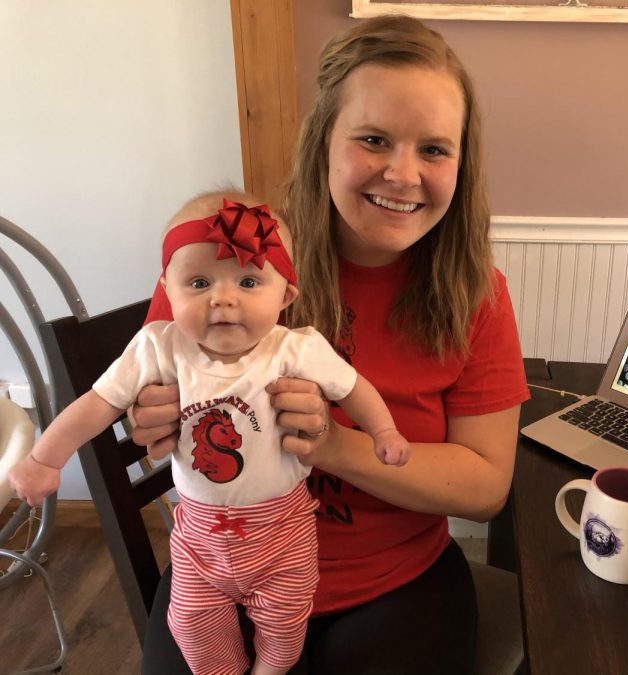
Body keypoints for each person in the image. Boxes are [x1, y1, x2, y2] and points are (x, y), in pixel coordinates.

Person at [134, 15, 529, 675]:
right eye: (374, 139)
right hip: (221, 572)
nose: (403, 174)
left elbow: (486, 483)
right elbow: (145, 396)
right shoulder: (229, 257)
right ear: (323, 143)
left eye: (434, 149)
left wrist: (337, 446)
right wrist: (147, 414)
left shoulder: (476, 294)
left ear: (462, 163)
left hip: (397, 583)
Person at [10, 191, 410, 675]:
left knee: (286, 628)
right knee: (192, 626)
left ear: (285, 296)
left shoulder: (293, 349)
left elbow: (353, 388)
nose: (223, 298)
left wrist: (383, 430)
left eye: (247, 280)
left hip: (282, 534)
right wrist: (44, 459)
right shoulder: (160, 347)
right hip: (198, 539)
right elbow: (96, 405)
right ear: (167, 289)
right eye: (199, 282)